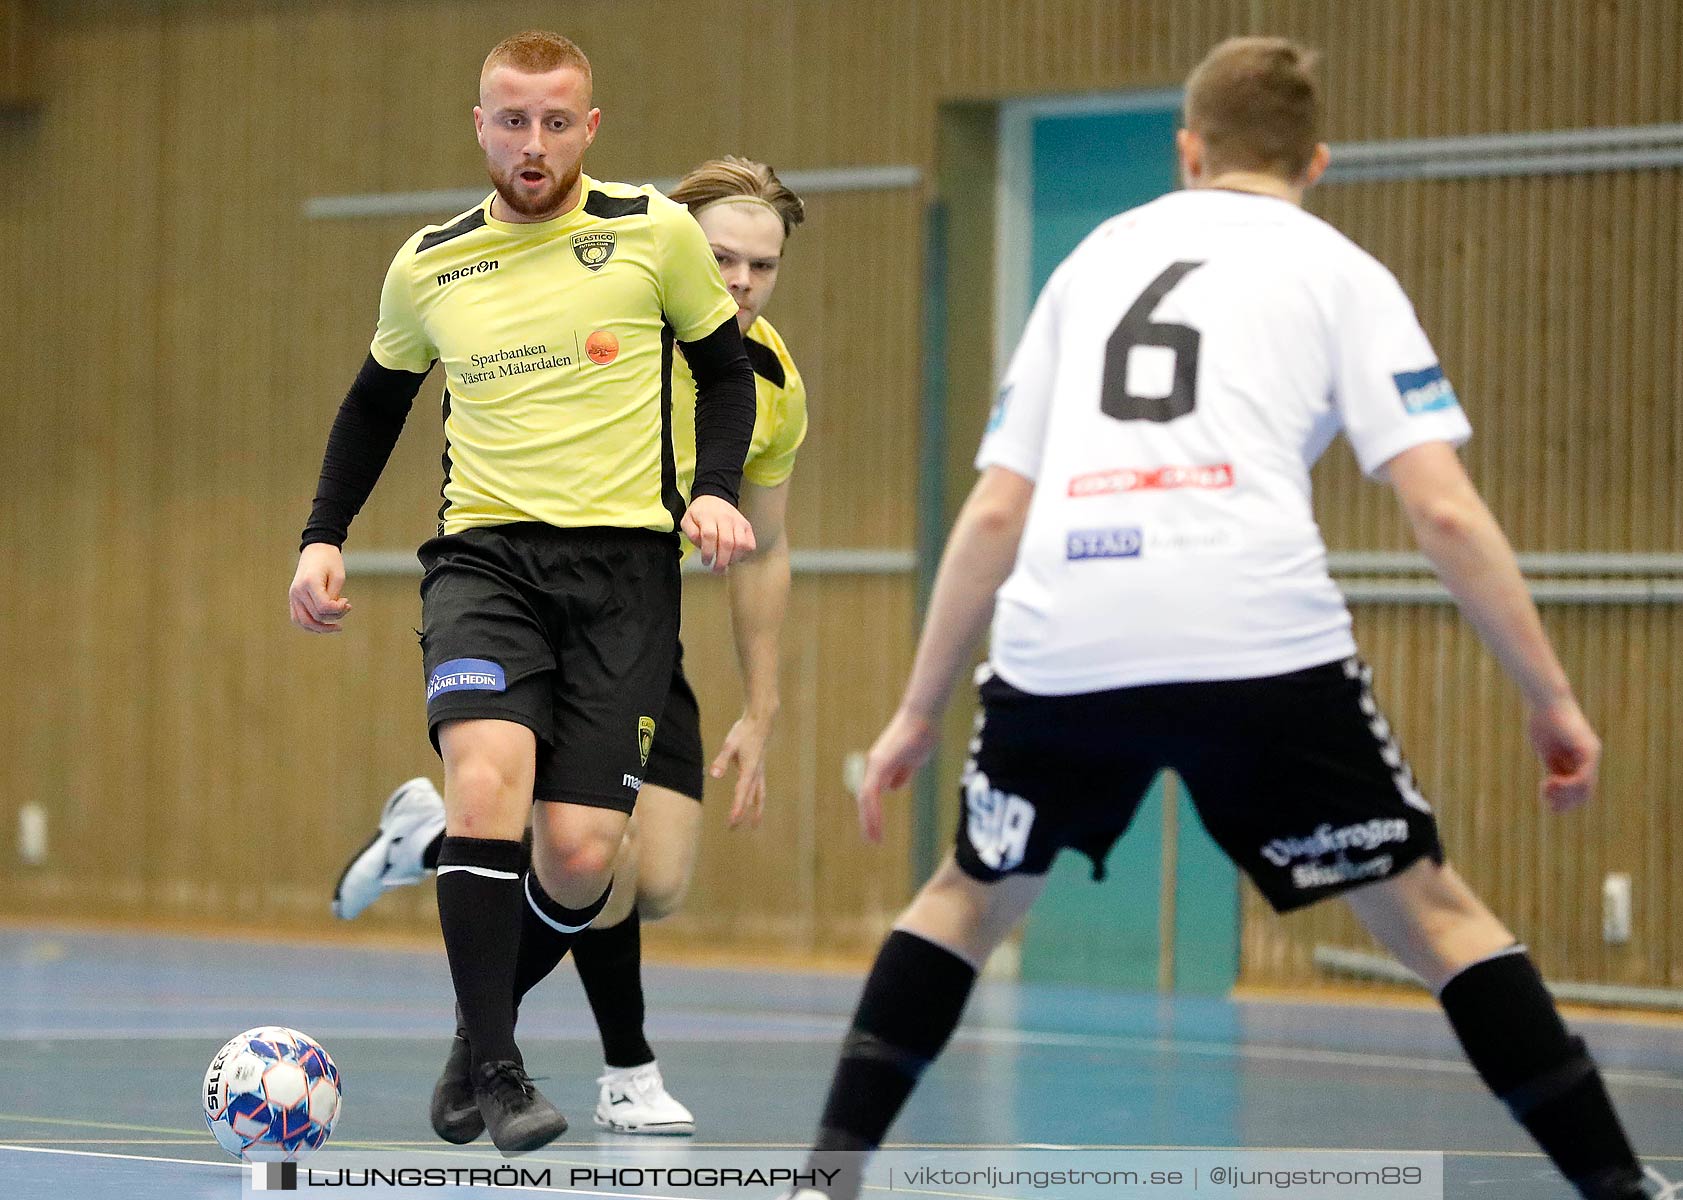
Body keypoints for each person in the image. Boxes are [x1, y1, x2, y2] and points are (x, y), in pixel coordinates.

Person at [792, 37, 1673, 1200]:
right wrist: (1550, 697)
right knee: (1432, 914)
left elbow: (998, 508)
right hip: (1253, 632)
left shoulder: (1093, 262)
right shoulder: (1340, 270)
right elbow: (1443, 512)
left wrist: (915, 710)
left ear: (1188, 150)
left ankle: (820, 1181)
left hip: (1071, 626)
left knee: (966, 895)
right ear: (1317, 160)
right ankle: (1620, 1186)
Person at [289, 31, 758, 1156]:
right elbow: (374, 404)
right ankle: (500, 1071)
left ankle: (471, 1045)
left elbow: (724, 366)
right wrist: (322, 536)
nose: (533, 144)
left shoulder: (652, 233)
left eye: (556, 122)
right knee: (487, 782)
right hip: (486, 566)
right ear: (481, 125)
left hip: (624, 578)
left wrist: (716, 489)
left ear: (589, 128)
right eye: (512, 121)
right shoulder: (429, 263)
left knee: (589, 856)